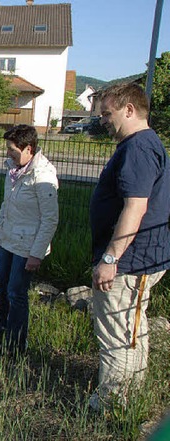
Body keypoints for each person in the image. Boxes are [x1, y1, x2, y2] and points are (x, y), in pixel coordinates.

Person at [89, 83, 170, 410]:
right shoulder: (143, 145)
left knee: (116, 337)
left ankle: (110, 405)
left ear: (130, 109)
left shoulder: (138, 148)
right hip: (137, 259)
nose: (103, 120)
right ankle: (130, 396)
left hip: (130, 262)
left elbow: (135, 208)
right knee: (132, 329)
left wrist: (111, 258)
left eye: (107, 114)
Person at [0, 124, 59, 353]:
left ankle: (16, 342)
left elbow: (50, 219)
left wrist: (36, 254)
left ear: (28, 148)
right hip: (8, 238)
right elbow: (5, 204)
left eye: (12, 149)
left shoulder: (43, 175)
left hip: (28, 246)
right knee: (0, 284)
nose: (8, 153)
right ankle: (4, 325)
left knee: (16, 292)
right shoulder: (12, 170)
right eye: (8, 148)